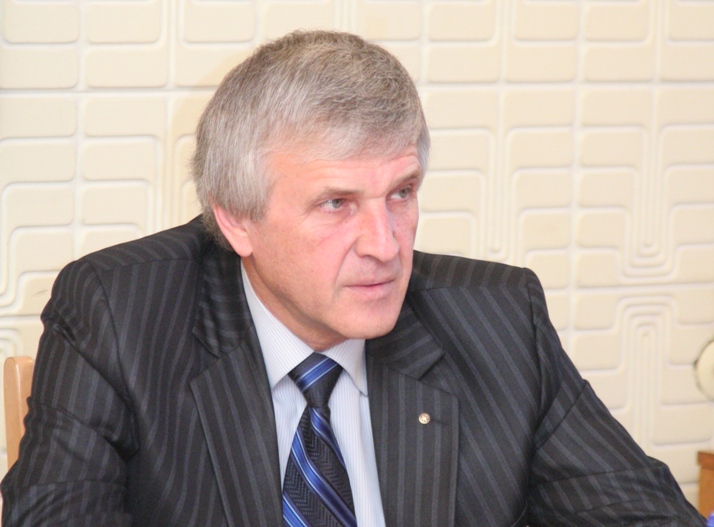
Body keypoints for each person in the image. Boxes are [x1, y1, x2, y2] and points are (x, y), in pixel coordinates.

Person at [1, 30, 704, 527]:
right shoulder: (118, 313)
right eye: (337, 203)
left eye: (402, 193)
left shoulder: (499, 320)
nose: (386, 245)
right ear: (237, 218)